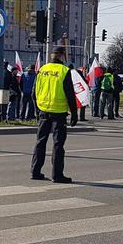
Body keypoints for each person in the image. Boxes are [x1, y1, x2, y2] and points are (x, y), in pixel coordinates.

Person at [30, 47, 78, 184]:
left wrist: (37, 110)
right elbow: (70, 94)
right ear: (62, 56)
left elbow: (34, 92)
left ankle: (35, 171)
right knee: (58, 145)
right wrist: (74, 114)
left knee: (40, 142)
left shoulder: (42, 70)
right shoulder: (64, 71)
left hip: (43, 111)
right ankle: (57, 175)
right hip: (59, 113)